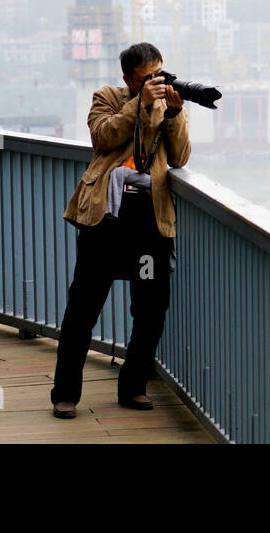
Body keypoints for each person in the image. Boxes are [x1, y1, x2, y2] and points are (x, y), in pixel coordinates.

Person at [50, 42, 191, 419]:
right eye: (148, 78)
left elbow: (180, 157)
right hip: (105, 220)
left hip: (150, 220)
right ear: (128, 78)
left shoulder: (167, 104)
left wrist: (174, 113)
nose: (156, 83)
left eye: (159, 74)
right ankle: (64, 394)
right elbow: (104, 137)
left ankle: (133, 387)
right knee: (83, 308)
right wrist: (139, 104)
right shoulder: (108, 97)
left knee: (151, 307)